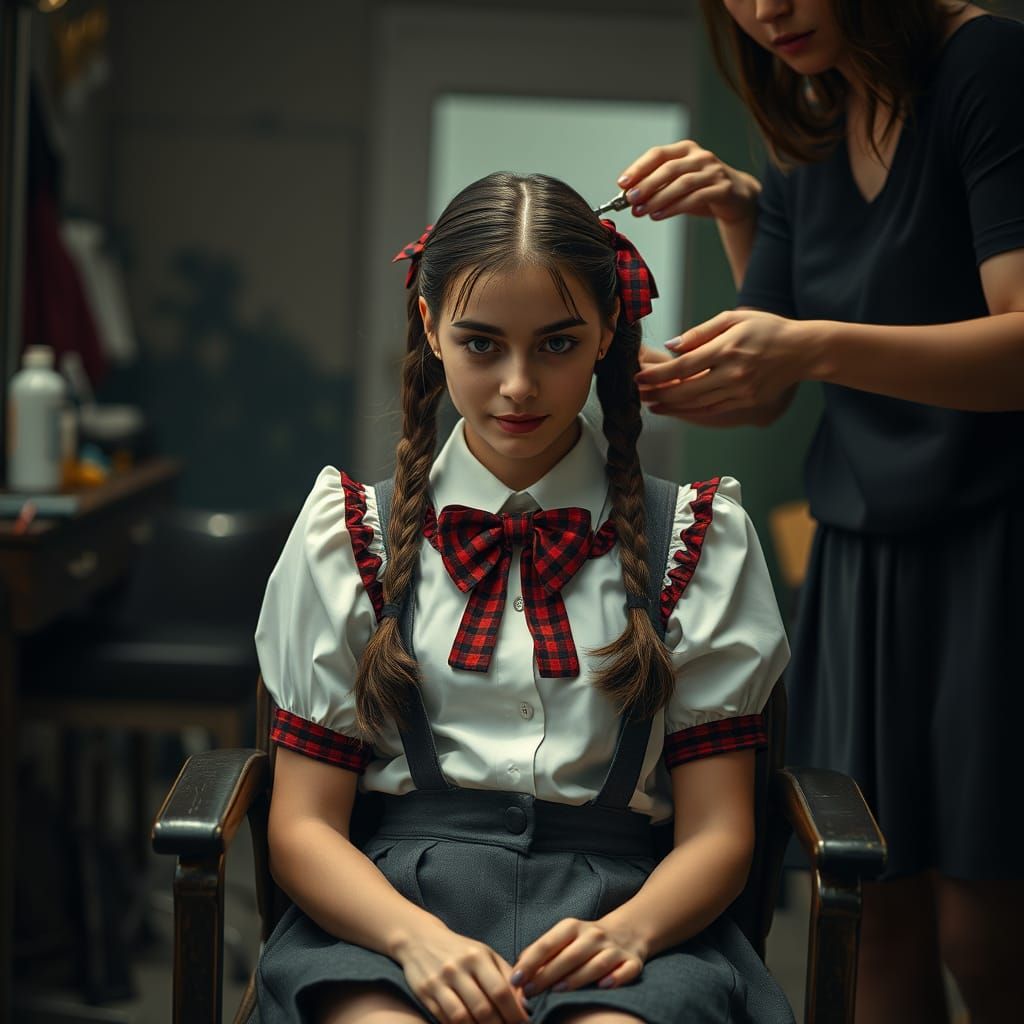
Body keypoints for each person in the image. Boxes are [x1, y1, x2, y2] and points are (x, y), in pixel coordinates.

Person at [252, 172, 794, 1024]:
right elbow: (303, 826)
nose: (517, 386)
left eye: (556, 344)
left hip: (623, 911)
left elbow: (721, 829)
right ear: (430, 327)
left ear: (609, 330)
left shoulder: (697, 538)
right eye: (481, 344)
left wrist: (631, 933)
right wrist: (410, 939)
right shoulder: (349, 536)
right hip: (387, 909)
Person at [617, 3, 1024, 1024]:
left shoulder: (985, 65)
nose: (767, 11)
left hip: (997, 550)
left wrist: (812, 345)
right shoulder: (806, 107)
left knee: (988, 928)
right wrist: (723, 227)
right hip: (856, 560)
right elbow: (759, 385)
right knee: (866, 909)